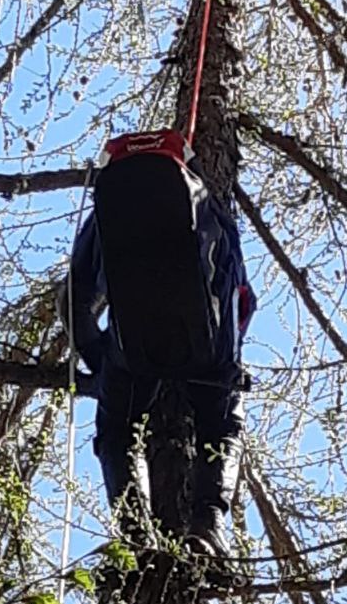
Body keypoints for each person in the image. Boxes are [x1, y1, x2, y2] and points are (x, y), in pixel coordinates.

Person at [58, 130, 255, 557]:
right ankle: (208, 526)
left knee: (118, 432)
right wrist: (228, 357)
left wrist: (104, 361)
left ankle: (135, 537)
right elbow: (242, 297)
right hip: (208, 342)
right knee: (223, 424)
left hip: (134, 348)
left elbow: (72, 301)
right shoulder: (213, 209)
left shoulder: (103, 217)